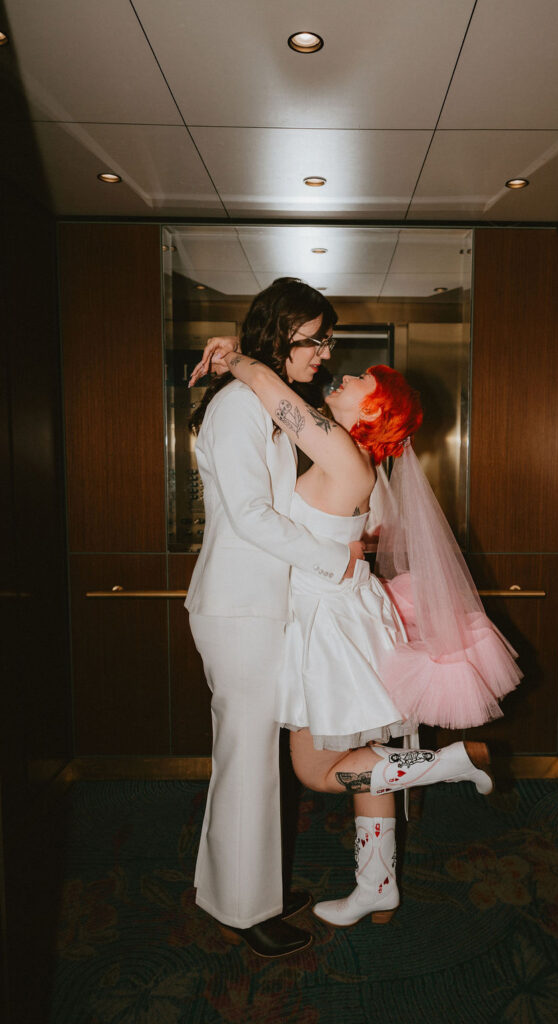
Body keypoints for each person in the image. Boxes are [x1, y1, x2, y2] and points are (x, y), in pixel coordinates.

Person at [208, 337, 521, 928]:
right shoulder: (357, 461)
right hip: (348, 614)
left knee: (313, 770)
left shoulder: (343, 452)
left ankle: (447, 764)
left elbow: (276, 398)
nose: (345, 379)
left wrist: (237, 359)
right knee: (367, 756)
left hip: (327, 626)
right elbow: (359, 528)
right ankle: (376, 885)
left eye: (361, 384)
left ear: (372, 413)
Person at [185, 279, 365, 958]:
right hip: (237, 606)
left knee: (247, 756)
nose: (323, 351)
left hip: (258, 604)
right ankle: (240, 908)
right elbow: (251, 517)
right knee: (247, 759)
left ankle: (236, 887)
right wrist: (333, 561)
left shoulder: (258, 401)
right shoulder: (236, 408)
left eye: (327, 338)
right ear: (279, 333)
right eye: (313, 337)